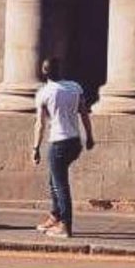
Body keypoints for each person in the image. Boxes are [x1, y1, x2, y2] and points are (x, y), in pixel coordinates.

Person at [32, 57, 94, 239]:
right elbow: (84, 112)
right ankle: (55, 216)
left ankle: (66, 226)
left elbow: (40, 124)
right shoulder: (75, 87)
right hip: (74, 142)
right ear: (60, 70)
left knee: (60, 185)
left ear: (44, 72)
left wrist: (35, 148)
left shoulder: (44, 93)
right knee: (54, 181)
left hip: (58, 143)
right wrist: (89, 136)